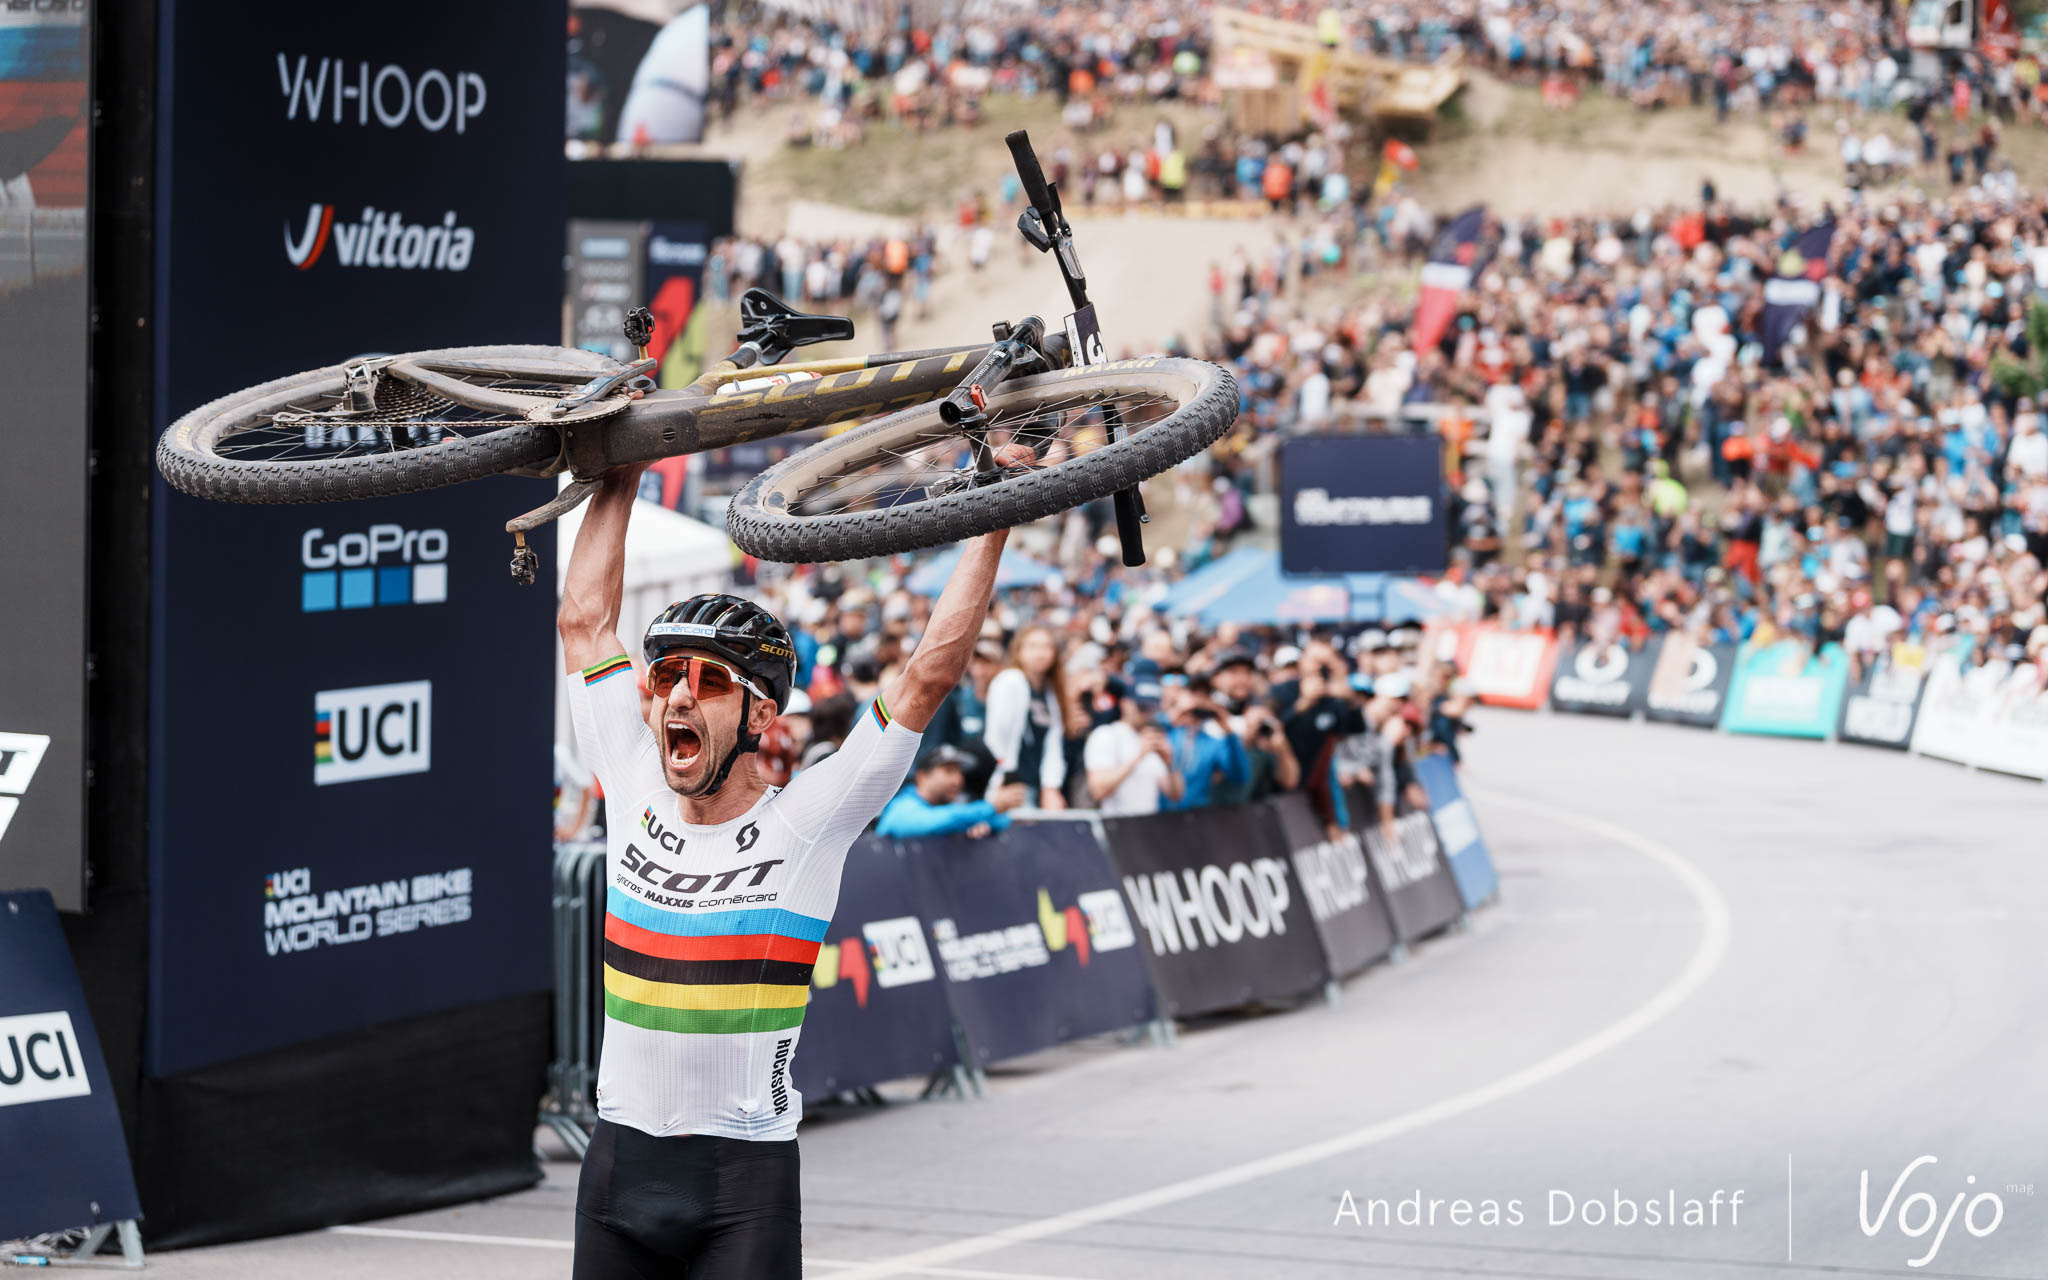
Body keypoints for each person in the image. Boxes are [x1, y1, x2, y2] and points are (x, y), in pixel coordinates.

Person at [558, 464, 1016, 1280]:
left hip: (742, 1187)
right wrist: (620, 474)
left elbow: (926, 677)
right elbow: (584, 622)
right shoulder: (630, 783)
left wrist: (996, 518)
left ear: (762, 716)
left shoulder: (806, 822)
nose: (678, 699)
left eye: (708, 683)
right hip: (617, 1169)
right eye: (665, 677)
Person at [983, 624, 1068, 809]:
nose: (1041, 653)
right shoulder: (1010, 681)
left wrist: (1051, 786)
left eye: (1046, 647)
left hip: (1036, 785)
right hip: (1010, 785)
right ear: (1019, 651)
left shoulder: (1050, 692)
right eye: (1033, 646)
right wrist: (1001, 782)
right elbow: (996, 738)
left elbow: (1053, 744)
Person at [876, 745, 1027, 838]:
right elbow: (935, 820)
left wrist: (984, 825)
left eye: (959, 772)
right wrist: (992, 807)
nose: (957, 780)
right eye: (948, 771)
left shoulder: (950, 808)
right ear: (922, 777)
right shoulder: (901, 807)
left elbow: (1003, 821)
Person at [1082, 680, 1183, 816]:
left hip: (1146, 825)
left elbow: (1175, 795)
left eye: (1152, 707)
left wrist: (1170, 763)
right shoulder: (1106, 735)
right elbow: (1098, 790)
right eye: (1142, 707)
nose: (1148, 713)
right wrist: (1138, 756)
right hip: (1114, 824)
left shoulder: (1154, 737)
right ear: (1125, 704)